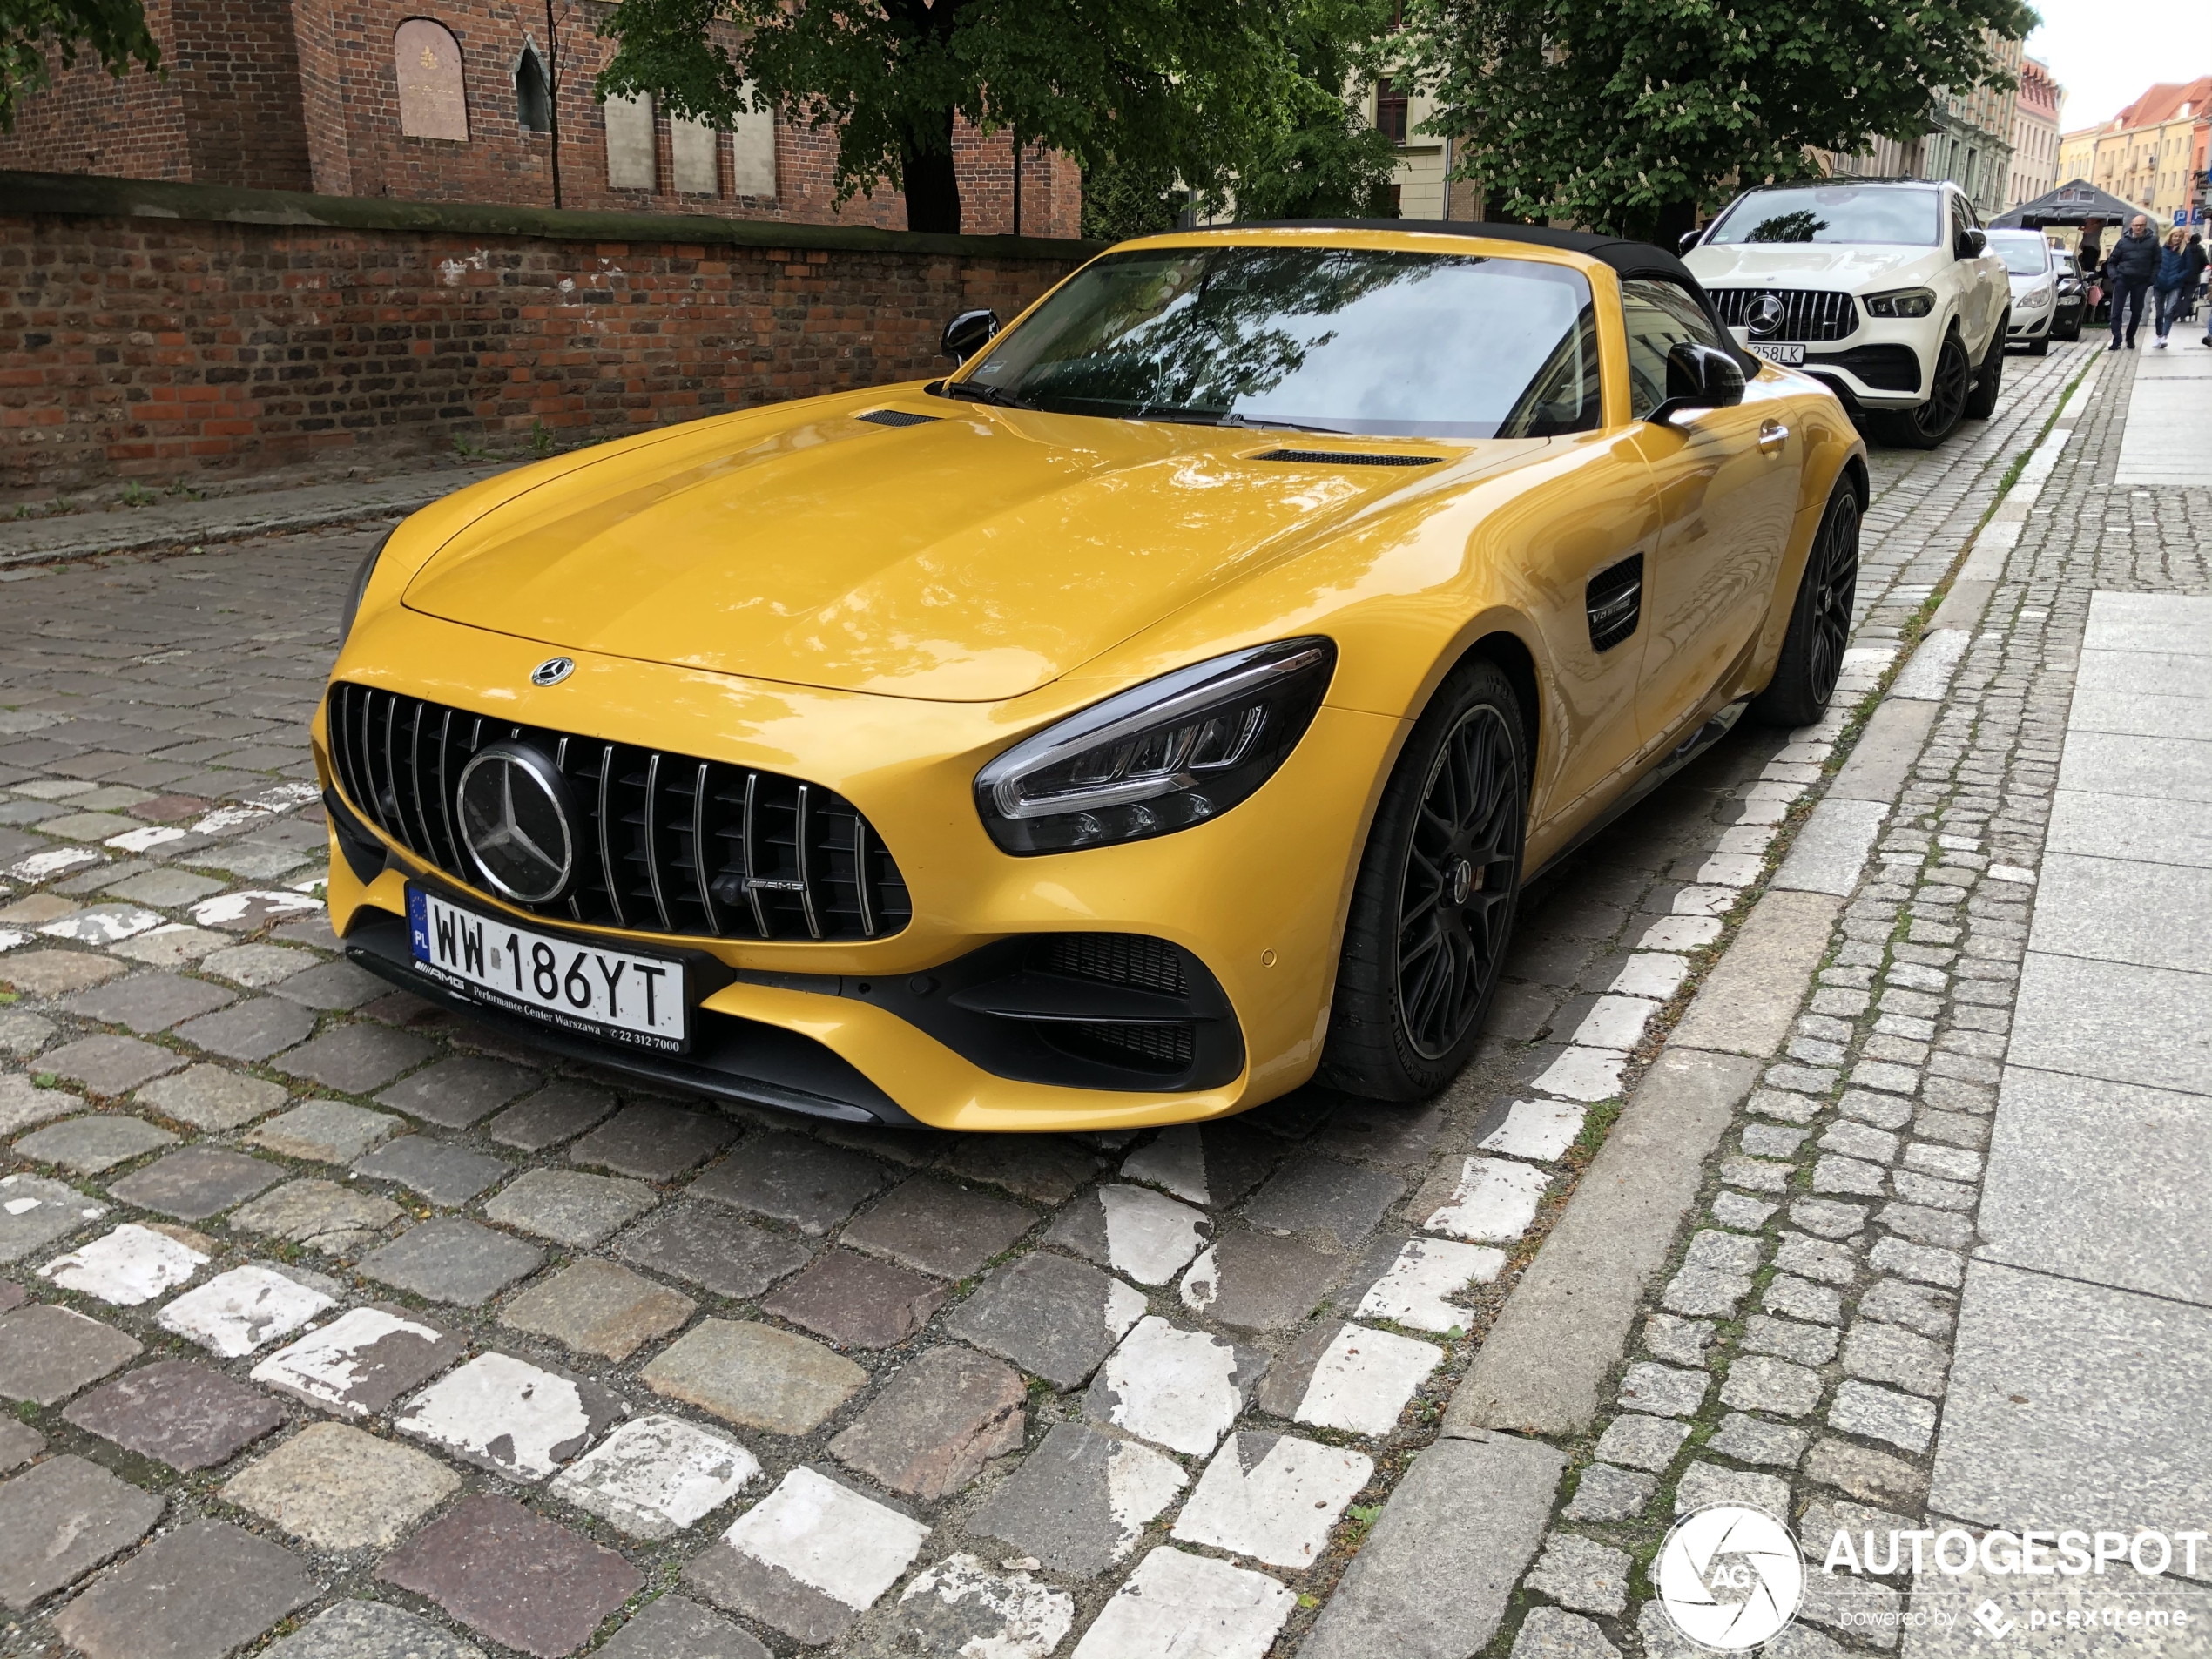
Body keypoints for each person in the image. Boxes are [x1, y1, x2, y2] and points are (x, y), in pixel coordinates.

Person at [2105, 214, 2159, 348]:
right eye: (2136, 225)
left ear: (2145, 226)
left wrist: (2151, 279)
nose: (2138, 227)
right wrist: (2114, 277)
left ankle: (2130, 337)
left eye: (2141, 225)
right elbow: (2111, 262)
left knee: (2137, 311)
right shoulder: (2123, 242)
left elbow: (2157, 263)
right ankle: (2117, 339)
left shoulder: (2153, 242)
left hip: (2141, 281)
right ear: (2131, 226)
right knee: (2116, 311)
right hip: (2123, 279)